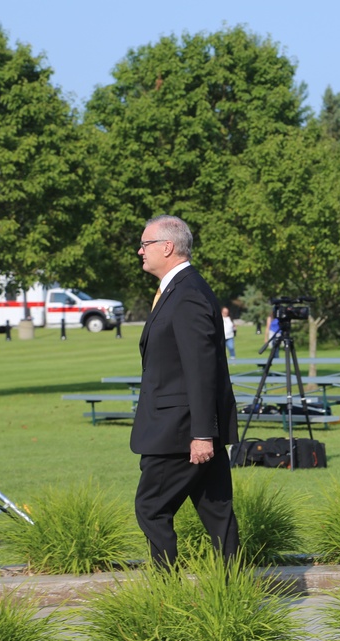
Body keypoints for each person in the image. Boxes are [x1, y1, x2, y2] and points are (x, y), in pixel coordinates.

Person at [131, 215, 240, 570]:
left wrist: (202, 434)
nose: (139, 251)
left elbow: (201, 368)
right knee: (217, 512)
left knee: (151, 508)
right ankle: (234, 589)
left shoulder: (188, 294)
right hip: (187, 428)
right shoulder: (179, 290)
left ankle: (166, 594)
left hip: (181, 432)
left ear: (167, 247)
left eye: (145, 245)